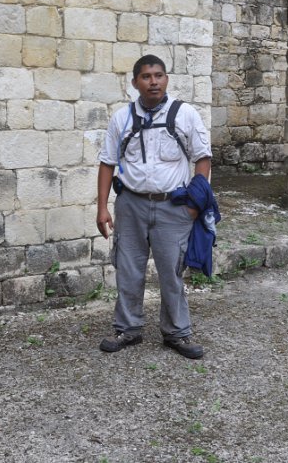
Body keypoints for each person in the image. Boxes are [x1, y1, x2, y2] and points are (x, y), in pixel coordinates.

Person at [96, 54, 213, 359]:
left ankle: (177, 332)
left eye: (159, 76)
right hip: (130, 205)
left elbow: (202, 158)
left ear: (166, 79)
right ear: (135, 83)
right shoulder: (121, 119)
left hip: (172, 206)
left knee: (171, 272)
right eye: (146, 77)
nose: (153, 82)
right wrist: (102, 207)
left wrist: (194, 205)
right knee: (128, 269)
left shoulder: (185, 114)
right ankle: (127, 329)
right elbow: (107, 162)